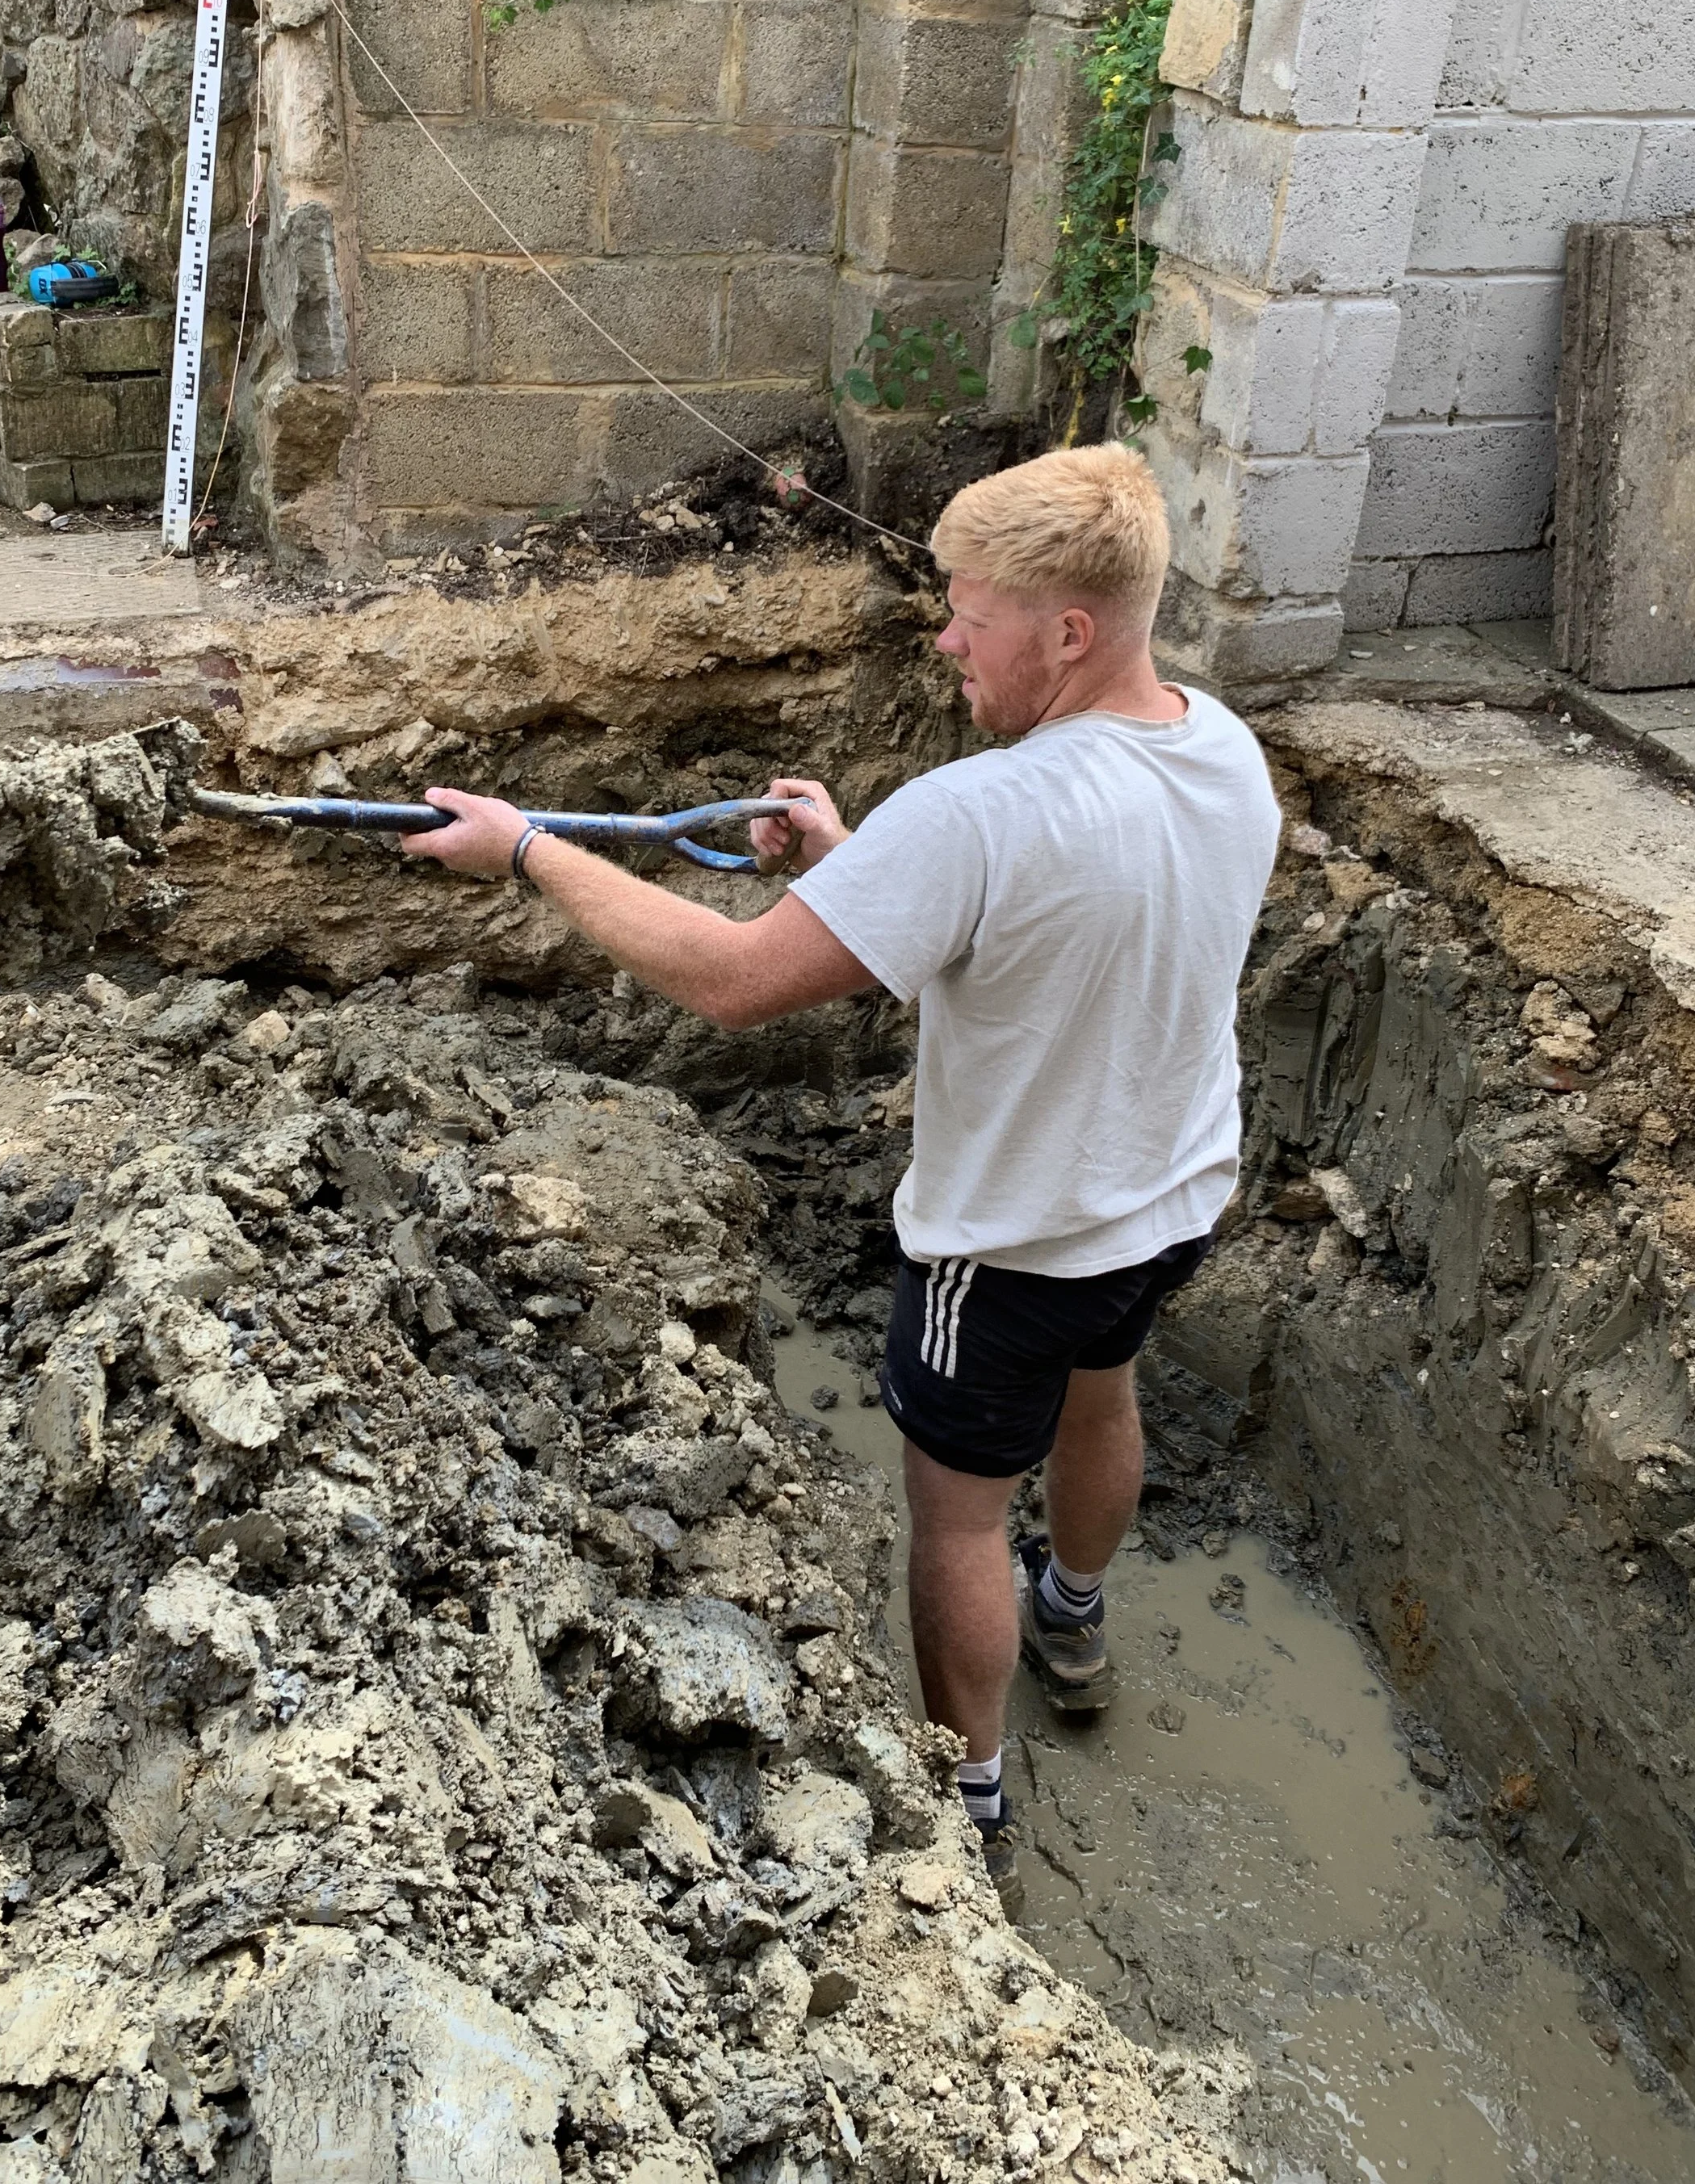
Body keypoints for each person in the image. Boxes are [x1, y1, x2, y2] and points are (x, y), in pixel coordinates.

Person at [401, 445, 1280, 1848]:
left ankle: (969, 1799)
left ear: (1065, 630)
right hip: (1171, 1199)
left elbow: (735, 984)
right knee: (1102, 1396)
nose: (945, 638)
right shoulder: (1220, 749)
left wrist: (526, 851)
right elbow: (1047, 925)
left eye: (967, 612)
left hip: (1009, 1250)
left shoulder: (981, 812)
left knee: (957, 1517)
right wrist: (861, 865)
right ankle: (1076, 1619)